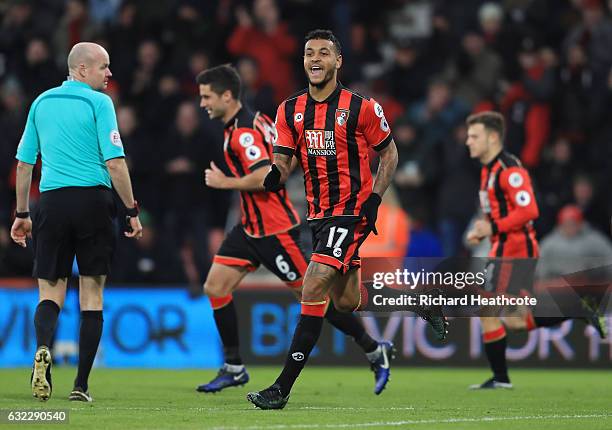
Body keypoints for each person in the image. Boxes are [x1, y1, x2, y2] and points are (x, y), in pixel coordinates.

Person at [247, 30, 447, 410]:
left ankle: (281, 389)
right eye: (309, 53)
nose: (315, 58)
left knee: (313, 286)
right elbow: (284, 158)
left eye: (324, 52)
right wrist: (275, 173)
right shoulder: (288, 110)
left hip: (351, 211)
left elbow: (389, 155)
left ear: (339, 61)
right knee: (346, 301)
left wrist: (374, 199)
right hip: (318, 215)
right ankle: (422, 301)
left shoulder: (362, 108)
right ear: (303, 61)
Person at [195, 64, 394, 394]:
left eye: (206, 97)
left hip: (276, 230)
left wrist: (224, 182)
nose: (203, 104)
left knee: (316, 297)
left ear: (226, 96)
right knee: (215, 286)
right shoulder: (250, 121)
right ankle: (233, 366)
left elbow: (265, 177)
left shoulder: (244, 133)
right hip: (250, 229)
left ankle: (373, 348)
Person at [10, 42, 143, 402]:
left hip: (50, 203)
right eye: (104, 67)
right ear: (82, 70)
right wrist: (131, 209)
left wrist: (23, 214)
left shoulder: (41, 102)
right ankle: (81, 385)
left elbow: (24, 165)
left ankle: (42, 349)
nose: (109, 73)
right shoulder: (99, 103)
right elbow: (115, 162)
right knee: (92, 292)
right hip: (93, 203)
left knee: (50, 291)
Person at [464, 111, 605, 389]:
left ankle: (501, 379)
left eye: (474, 136)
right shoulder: (488, 170)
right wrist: (484, 228)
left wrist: (492, 228)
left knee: (488, 311)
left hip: (514, 248)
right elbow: (502, 212)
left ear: (493, 137)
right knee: (514, 321)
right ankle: (576, 305)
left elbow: (530, 210)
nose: (468, 141)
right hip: (503, 247)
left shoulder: (509, 170)